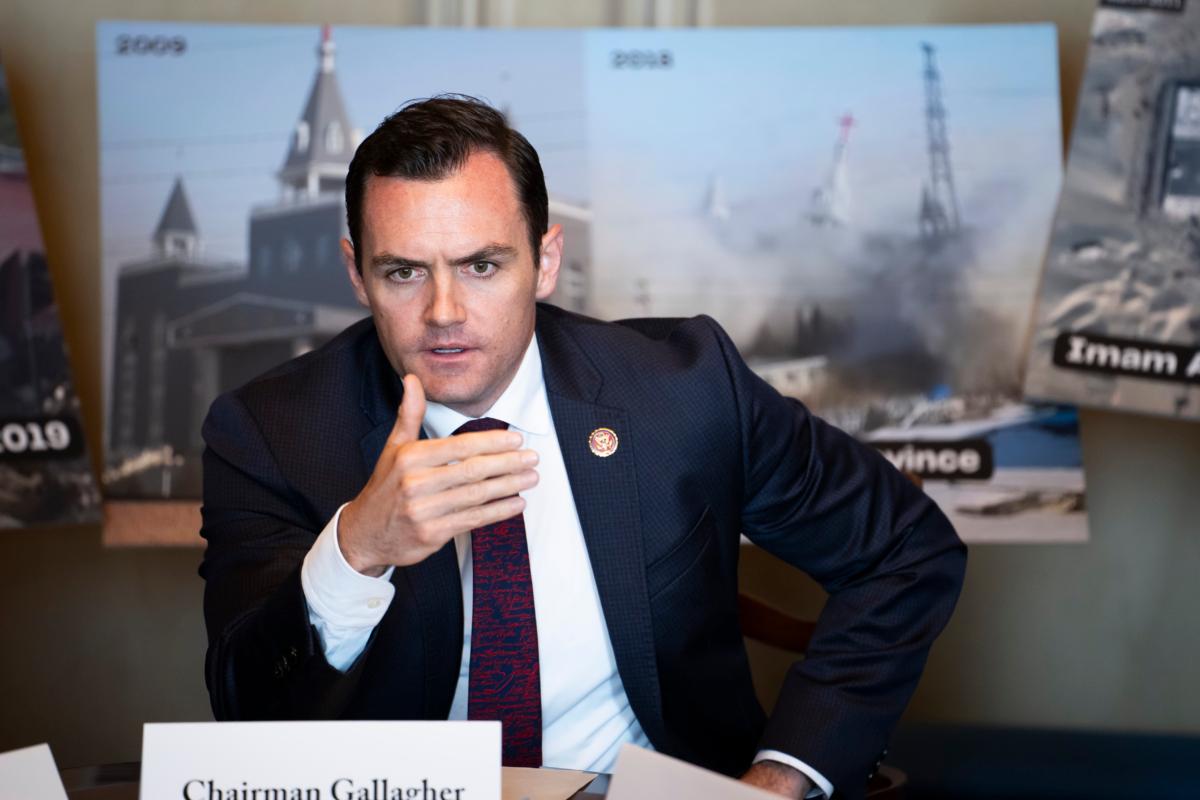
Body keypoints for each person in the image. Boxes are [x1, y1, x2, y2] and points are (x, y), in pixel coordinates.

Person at [199, 96, 966, 800]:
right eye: (403, 272)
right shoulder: (270, 432)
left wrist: (780, 779)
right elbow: (245, 706)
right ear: (356, 274)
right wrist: (356, 548)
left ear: (547, 261)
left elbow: (907, 549)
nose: (443, 312)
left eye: (482, 265)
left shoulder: (684, 387)